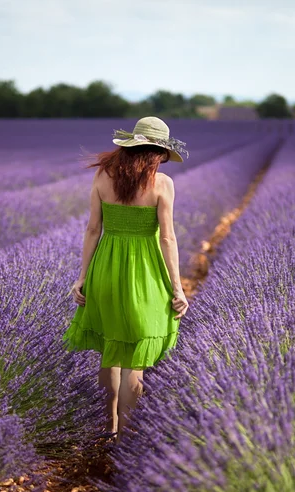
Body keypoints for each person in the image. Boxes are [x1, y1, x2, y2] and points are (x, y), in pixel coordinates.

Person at [62, 116, 189, 444]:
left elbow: (92, 229)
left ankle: (109, 429)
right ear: (157, 153)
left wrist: (82, 278)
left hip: (105, 268)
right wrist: (177, 287)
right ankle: (128, 440)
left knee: (110, 351)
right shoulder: (162, 185)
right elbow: (168, 239)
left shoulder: (103, 175)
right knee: (135, 359)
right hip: (144, 273)